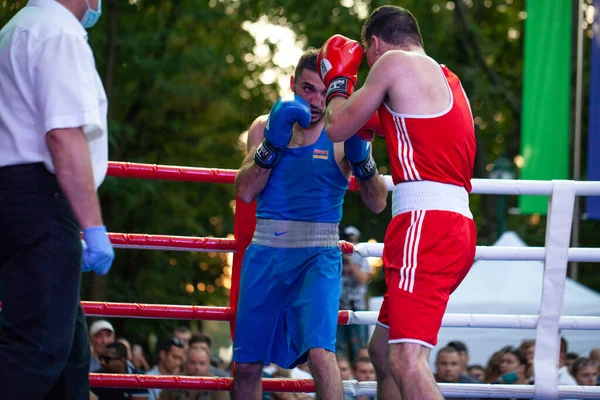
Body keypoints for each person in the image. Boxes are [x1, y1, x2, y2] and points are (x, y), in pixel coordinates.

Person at [317, 5, 477, 399]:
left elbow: (337, 124)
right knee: (382, 353)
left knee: (406, 360)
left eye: (366, 59)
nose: (369, 68)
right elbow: (363, 126)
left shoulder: (392, 62)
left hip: (426, 223)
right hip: (452, 225)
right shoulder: (445, 78)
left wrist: (339, 79)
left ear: (374, 44)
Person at [231, 48, 388, 400]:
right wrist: (272, 147)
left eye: (323, 90)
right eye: (307, 89)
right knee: (246, 367)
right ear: (292, 85)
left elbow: (378, 201)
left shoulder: (348, 132)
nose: (316, 101)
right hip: (266, 254)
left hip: (317, 258)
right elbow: (245, 192)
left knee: (320, 355)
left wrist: (363, 165)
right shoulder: (264, 126)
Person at [0, 0, 114, 398]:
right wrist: (93, 226)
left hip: (17, 195)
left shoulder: (16, 28)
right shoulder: (59, 33)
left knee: (70, 356)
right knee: (38, 349)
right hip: (41, 198)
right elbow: (63, 135)